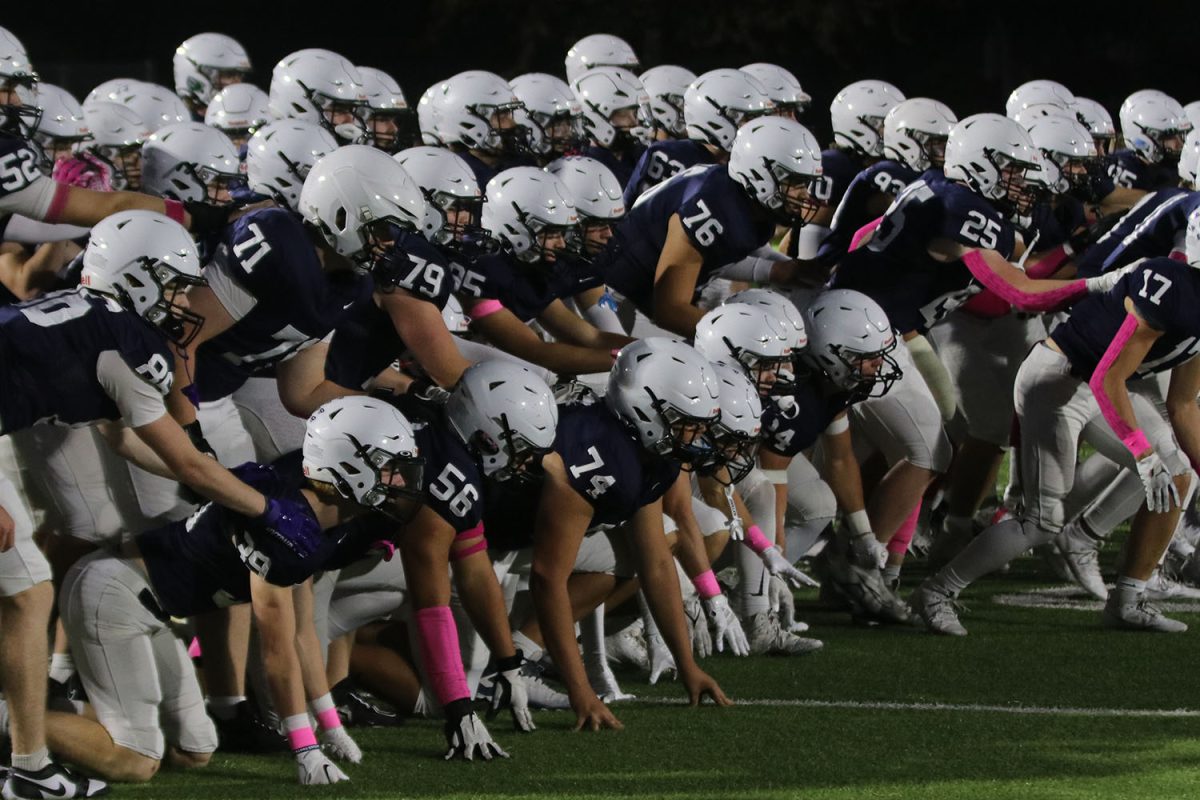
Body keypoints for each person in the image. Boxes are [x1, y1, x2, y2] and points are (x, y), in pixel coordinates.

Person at [911, 207, 1200, 635]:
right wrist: (1140, 452)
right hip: (1058, 377)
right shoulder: (1170, 286)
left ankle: (1128, 599)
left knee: (1179, 476)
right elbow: (1108, 376)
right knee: (1041, 520)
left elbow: (1183, 405)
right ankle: (936, 592)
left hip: (1104, 386)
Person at [530, 338, 731, 731]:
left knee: (639, 550)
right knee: (455, 681)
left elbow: (655, 561)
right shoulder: (597, 452)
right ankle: (516, 654)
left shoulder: (643, 450)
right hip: (483, 544)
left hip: (518, 540)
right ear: (645, 410)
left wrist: (687, 664)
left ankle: (519, 648)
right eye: (687, 423)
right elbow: (545, 576)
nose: (696, 436)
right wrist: (581, 692)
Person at [600, 116, 822, 337]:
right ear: (760, 174)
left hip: (645, 299)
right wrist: (742, 338)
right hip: (614, 298)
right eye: (795, 182)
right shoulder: (713, 207)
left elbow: (712, 257)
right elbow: (670, 311)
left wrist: (776, 269)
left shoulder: (745, 204)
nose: (805, 194)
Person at [173, 32, 251, 120]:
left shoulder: (240, 117)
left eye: (239, 76)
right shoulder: (174, 119)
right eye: (229, 75)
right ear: (197, 77)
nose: (237, 83)